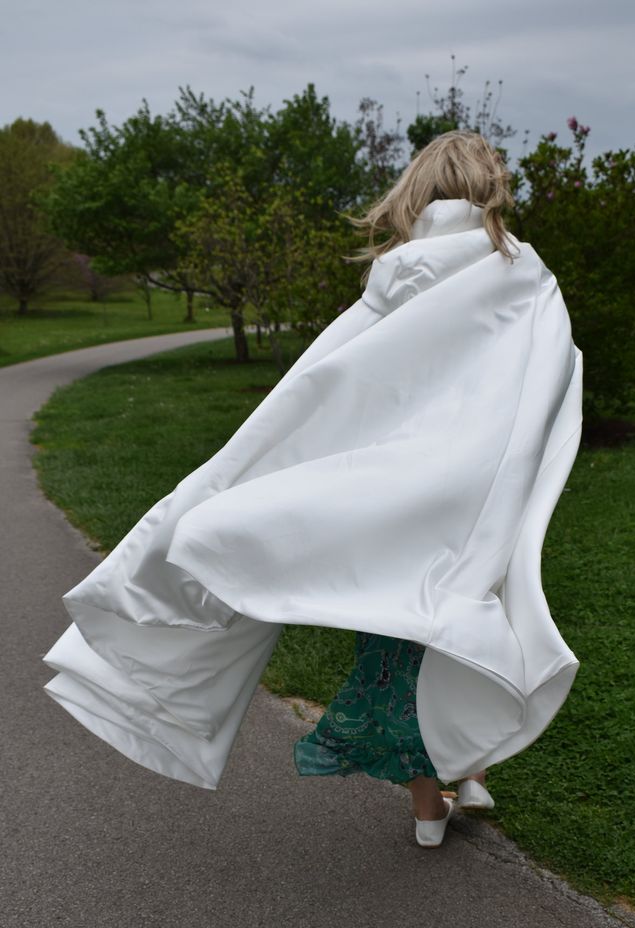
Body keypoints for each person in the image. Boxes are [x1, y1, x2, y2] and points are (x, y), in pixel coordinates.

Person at [44, 131, 583, 851]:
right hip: (476, 494)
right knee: (472, 610)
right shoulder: (524, 274)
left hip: (385, 504)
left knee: (399, 636)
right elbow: (553, 375)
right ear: (493, 188)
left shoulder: (396, 277)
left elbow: (328, 386)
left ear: (415, 192)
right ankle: (473, 772)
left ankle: (430, 814)